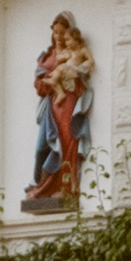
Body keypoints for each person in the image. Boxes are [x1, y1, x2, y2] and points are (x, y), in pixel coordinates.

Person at [24, 11, 96, 213]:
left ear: (69, 35)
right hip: (51, 105)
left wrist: (74, 74)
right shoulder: (48, 56)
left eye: (62, 33)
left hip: (68, 101)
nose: (58, 37)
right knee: (43, 147)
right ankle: (41, 185)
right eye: (55, 33)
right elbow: (38, 82)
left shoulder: (76, 52)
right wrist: (47, 84)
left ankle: (66, 187)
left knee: (66, 142)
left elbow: (85, 70)